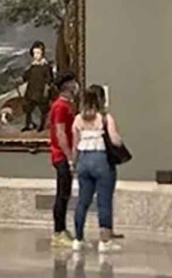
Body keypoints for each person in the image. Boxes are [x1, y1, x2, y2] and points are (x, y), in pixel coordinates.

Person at [71, 85, 123, 253]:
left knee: (82, 201)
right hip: (102, 161)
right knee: (104, 201)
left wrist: (73, 163)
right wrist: (120, 142)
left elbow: (75, 145)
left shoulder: (78, 119)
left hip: (83, 161)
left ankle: (78, 239)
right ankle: (105, 241)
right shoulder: (105, 118)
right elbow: (115, 140)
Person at [47, 73, 79, 248]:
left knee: (65, 194)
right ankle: (58, 232)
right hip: (61, 155)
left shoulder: (68, 105)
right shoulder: (60, 106)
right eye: (73, 82)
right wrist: (69, 157)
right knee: (62, 194)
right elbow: (60, 133)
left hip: (65, 155)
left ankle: (62, 229)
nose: (76, 85)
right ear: (67, 85)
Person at [21, 42, 54, 132]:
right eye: (34, 53)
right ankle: (28, 124)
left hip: (41, 90)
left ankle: (41, 125)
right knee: (28, 107)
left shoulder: (46, 66)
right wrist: (23, 77)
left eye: (38, 53)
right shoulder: (33, 66)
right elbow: (26, 76)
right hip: (31, 89)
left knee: (42, 108)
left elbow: (49, 79)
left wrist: (46, 89)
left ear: (42, 53)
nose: (36, 55)